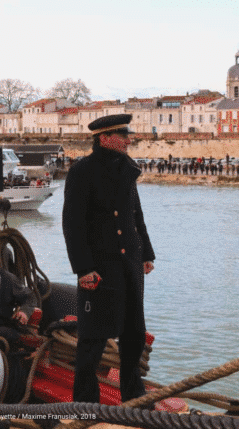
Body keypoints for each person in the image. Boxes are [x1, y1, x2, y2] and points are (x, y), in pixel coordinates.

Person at [62, 114, 156, 404]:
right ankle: (86, 403)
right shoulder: (82, 172)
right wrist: (83, 269)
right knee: (93, 340)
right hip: (99, 269)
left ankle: (133, 397)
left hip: (129, 265)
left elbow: (135, 214)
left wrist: (147, 253)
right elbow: (72, 224)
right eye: (123, 135)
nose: (129, 140)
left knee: (133, 337)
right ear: (104, 139)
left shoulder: (127, 168)